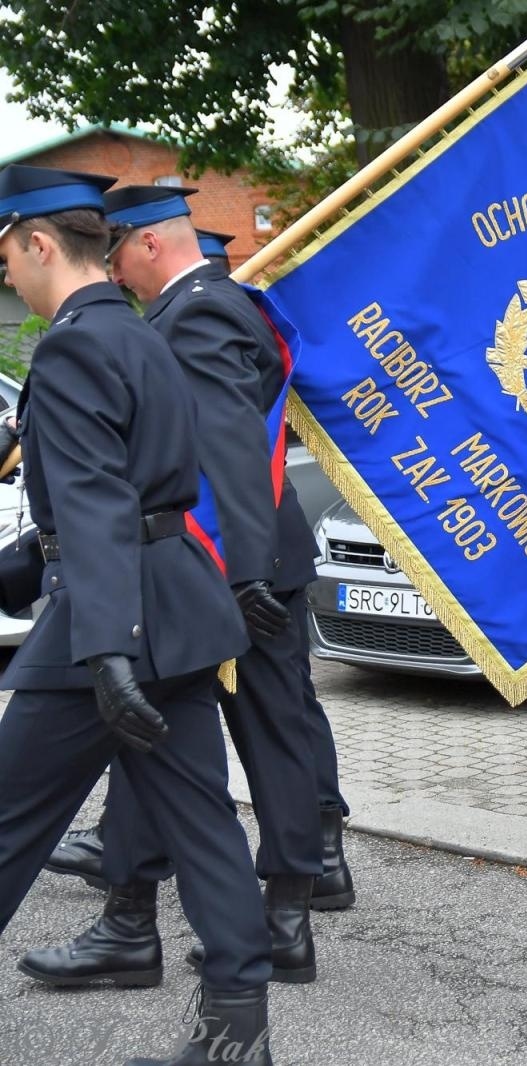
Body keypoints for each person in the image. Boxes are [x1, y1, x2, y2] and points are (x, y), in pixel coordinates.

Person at [21, 184, 354, 992]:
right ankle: (139, 917)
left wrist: (244, 574)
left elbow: (231, 447)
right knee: (164, 737)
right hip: (207, 564)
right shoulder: (193, 309)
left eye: (121, 250)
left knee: (269, 734)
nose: (117, 271)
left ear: (147, 244)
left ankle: (279, 919)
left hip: (236, 567)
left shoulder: (199, 311)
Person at [0, 163, 273, 1062]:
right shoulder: (144, 331)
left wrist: (108, 646)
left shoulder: (75, 345)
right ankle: (240, 1037)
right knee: (203, 824)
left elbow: (94, 504)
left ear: (40, 243)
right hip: (176, 607)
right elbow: (141, 490)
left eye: (6, 252)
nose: (6, 273)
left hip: (105, 623)